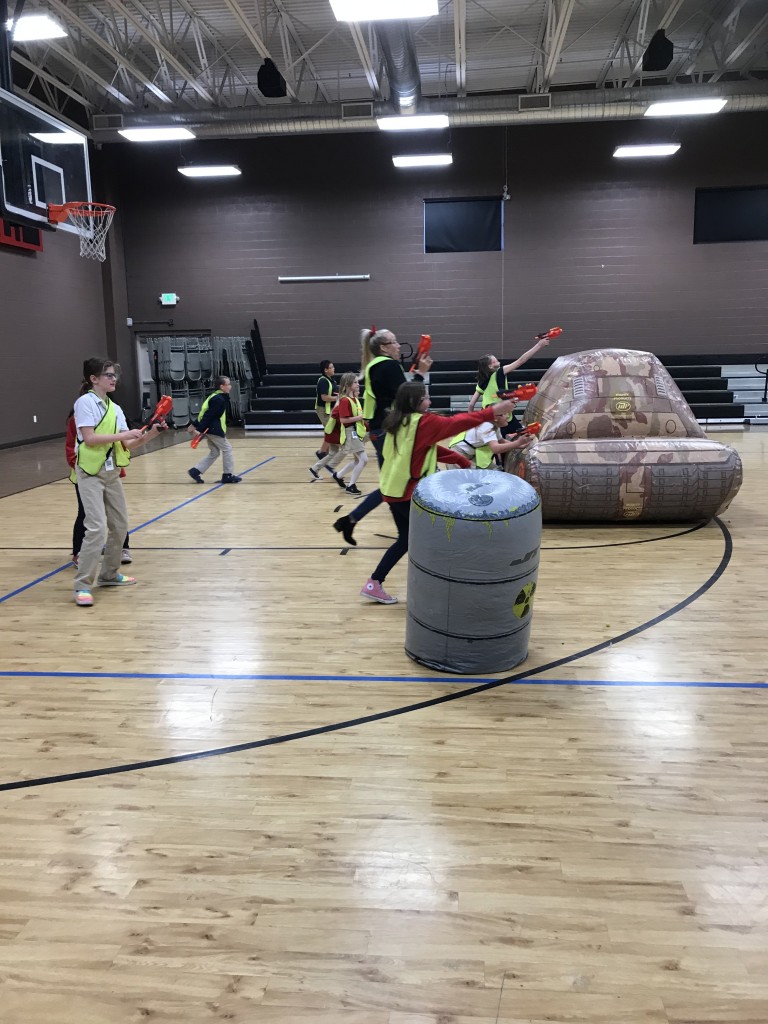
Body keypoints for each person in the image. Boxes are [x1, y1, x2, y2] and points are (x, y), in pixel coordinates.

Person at [360, 382, 516, 604]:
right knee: (443, 535)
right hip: (406, 493)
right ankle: (448, 584)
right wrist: (493, 411)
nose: (430, 401)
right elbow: (457, 422)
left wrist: (460, 460)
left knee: (406, 540)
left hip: (392, 490)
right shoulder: (424, 422)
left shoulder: (399, 420)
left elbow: (427, 448)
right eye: (426, 397)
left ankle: (374, 583)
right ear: (416, 401)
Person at [71, 357, 163, 607]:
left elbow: (129, 444)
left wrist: (152, 433)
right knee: (96, 528)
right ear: (93, 379)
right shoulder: (85, 403)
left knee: (120, 525)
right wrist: (124, 434)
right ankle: (82, 585)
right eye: (108, 375)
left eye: (114, 375)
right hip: (90, 472)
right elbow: (90, 438)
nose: (114, 379)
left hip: (111, 473)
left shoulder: (115, 408)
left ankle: (109, 575)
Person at [333, 328, 432, 545]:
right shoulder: (388, 365)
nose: (398, 346)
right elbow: (408, 397)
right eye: (394, 342)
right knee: (398, 481)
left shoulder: (375, 365)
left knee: (390, 483)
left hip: (380, 429)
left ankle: (351, 520)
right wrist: (421, 374)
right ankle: (408, 530)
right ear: (383, 347)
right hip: (387, 431)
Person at [66, 410, 131, 567]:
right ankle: (79, 552)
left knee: (117, 514)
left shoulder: (113, 413)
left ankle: (122, 548)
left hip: (110, 473)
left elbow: (123, 443)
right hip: (86, 475)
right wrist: (82, 467)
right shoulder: (77, 419)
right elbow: (71, 448)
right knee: (86, 513)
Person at [467, 336, 551, 433]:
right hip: (499, 417)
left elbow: (471, 405)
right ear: (490, 366)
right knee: (520, 436)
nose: (498, 361)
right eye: (495, 361)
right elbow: (521, 360)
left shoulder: (481, 381)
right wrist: (539, 345)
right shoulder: (500, 372)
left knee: (518, 435)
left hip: (494, 418)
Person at [188, 376, 242, 484]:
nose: (230, 386)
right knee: (227, 449)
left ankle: (195, 471)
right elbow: (209, 415)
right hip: (214, 429)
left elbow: (204, 412)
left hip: (210, 429)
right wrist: (199, 429)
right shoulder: (219, 399)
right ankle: (228, 475)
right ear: (222, 386)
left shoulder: (215, 396)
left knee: (215, 452)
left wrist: (195, 424)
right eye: (228, 384)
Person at [326, 372, 368, 496]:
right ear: (348, 384)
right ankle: (351, 486)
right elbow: (343, 420)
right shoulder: (345, 400)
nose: (358, 384)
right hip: (350, 432)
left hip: (356, 431)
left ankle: (338, 476)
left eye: (357, 382)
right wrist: (360, 417)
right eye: (355, 382)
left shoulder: (354, 399)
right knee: (363, 460)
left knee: (357, 461)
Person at [447, 416, 534, 469]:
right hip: (457, 454)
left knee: (495, 473)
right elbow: (495, 448)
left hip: (472, 454)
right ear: (496, 418)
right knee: (464, 483)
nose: (507, 416)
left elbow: (501, 441)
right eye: (503, 414)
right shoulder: (487, 427)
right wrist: (517, 443)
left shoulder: (495, 426)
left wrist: (519, 445)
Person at [314, 360, 337, 460]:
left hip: (329, 409)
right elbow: (324, 397)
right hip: (323, 410)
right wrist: (338, 398)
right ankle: (322, 452)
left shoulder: (331, 380)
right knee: (330, 430)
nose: (334, 369)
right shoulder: (323, 381)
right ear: (326, 370)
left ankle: (326, 452)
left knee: (330, 430)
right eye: (331, 367)